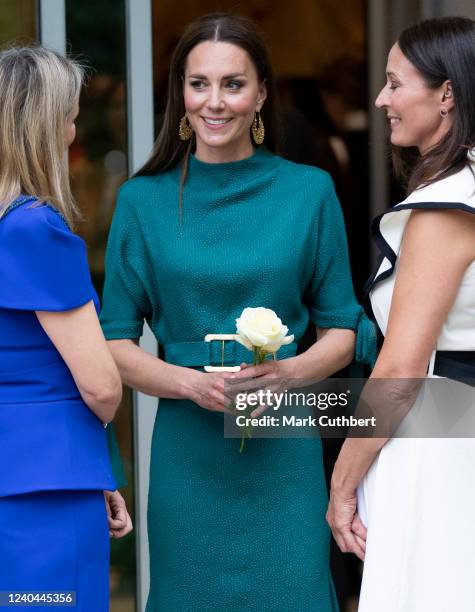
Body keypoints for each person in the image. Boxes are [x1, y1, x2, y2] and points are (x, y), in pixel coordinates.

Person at [100, 13, 374, 611]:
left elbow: (343, 329)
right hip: (187, 448)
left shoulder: (309, 190)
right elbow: (115, 342)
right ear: (180, 94)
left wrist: (289, 375)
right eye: (199, 84)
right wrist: (188, 384)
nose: (214, 101)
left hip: (285, 437)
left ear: (261, 95)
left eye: (233, 84)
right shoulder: (142, 201)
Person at [327, 16, 475, 612]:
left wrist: (342, 482)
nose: (381, 99)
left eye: (395, 83)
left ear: (446, 94)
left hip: (439, 444)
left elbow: (400, 370)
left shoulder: (446, 207)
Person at [0, 47, 131, 611]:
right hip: (44, 495)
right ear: (46, 124)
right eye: (71, 114)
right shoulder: (33, 230)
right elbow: (101, 386)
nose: (75, 127)